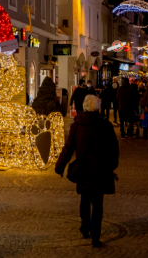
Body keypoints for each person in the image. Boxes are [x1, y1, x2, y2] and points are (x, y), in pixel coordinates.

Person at [55, 95, 120, 248]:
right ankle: (95, 237)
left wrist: (60, 165)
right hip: (100, 170)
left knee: (85, 199)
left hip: (83, 168)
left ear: (84, 107)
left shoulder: (77, 124)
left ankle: (85, 228)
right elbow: (114, 148)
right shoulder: (105, 124)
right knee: (98, 203)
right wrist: (112, 165)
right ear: (97, 107)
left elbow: (68, 148)